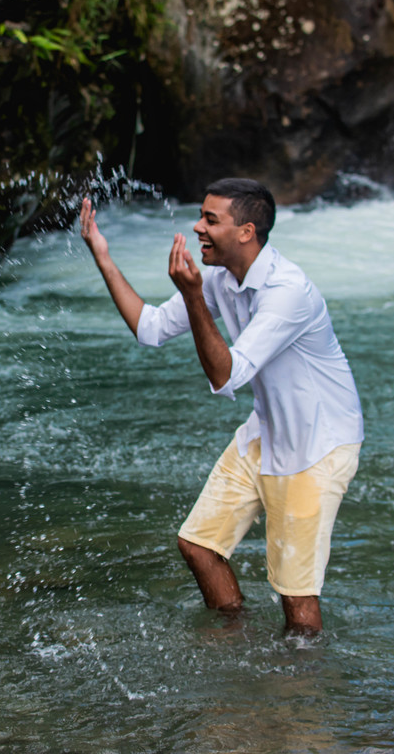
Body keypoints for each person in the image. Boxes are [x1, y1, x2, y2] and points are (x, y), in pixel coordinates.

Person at [79, 178, 363, 636]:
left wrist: (193, 295)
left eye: (211, 220)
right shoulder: (219, 277)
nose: (197, 228)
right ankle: (236, 645)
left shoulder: (288, 292)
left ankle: (303, 693)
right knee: (198, 546)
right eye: (200, 216)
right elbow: (149, 328)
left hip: (318, 446)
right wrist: (102, 255)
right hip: (266, 431)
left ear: (247, 232)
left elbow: (226, 375)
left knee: (297, 597)